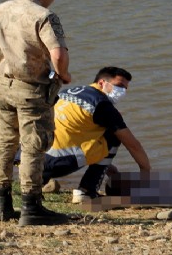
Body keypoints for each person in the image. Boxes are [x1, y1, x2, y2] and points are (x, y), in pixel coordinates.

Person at [0, 0, 72, 226]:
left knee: (4, 143)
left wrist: (11, 55)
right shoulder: (45, 16)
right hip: (31, 91)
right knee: (33, 147)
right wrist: (62, 74)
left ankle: (1, 206)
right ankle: (32, 208)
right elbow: (59, 54)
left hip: (0, 87)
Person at [43, 66, 151, 203]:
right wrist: (146, 170)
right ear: (101, 83)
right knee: (113, 136)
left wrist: (105, 166)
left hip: (30, 159)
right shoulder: (102, 105)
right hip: (57, 163)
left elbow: (77, 131)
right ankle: (86, 191)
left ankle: (37, 180)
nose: (122, 91)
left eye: (125, 88)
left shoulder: (68, 91)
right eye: (119, 86)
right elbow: (133, 145)